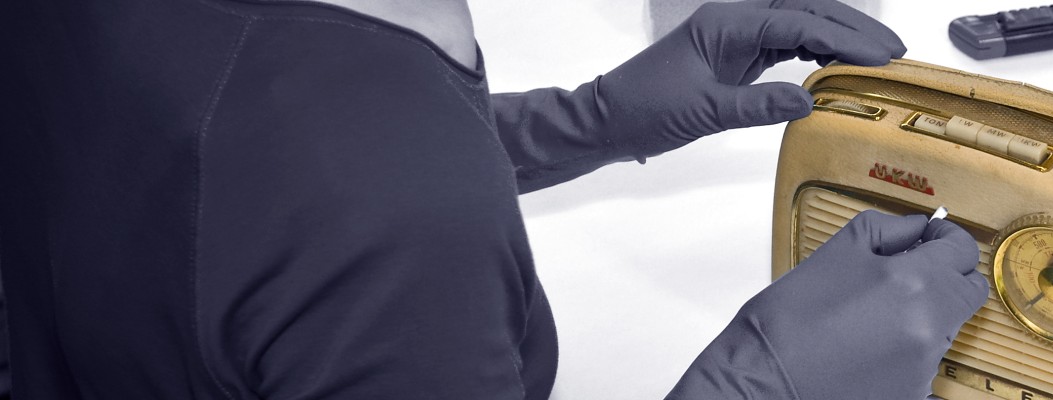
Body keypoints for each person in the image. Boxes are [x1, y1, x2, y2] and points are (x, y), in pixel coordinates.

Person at [0, 0, 989, 398]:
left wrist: (583, 120)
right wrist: (757, 385)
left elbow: (208, 186)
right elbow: (346, 200)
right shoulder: (387, 216)